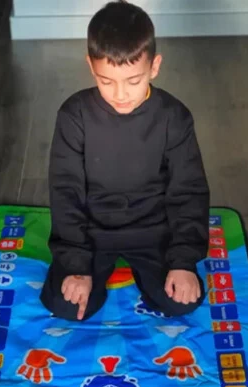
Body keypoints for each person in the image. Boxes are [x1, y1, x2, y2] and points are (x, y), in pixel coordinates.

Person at [40, 0, 210, 321]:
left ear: (154, 66)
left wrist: (183, 261)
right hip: (92, 231)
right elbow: (66, 191)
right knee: (66, 305)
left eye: (133, 81)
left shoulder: (174, 117)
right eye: (106, 81)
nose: (120, 95)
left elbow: (188, 190)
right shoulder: (74, 115)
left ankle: (157, 274)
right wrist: (77, 265)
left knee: (182, 302)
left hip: (153, 229)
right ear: (91, 66)